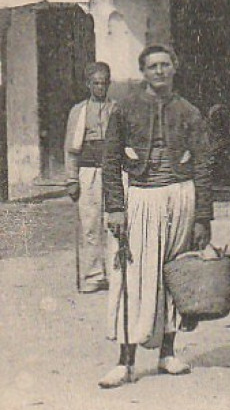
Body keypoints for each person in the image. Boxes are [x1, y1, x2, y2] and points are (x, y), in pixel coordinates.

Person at [99, 44, 213, 389]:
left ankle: (167, 353)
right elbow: (110, 161)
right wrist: (115, 208)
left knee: (173, 274)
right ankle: (125, 361)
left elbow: (204, 164)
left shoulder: (189, 111)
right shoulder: (125, 109)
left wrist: (202, 217)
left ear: (175, 68)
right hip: (141, 200)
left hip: (181, 197)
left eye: (165, 65)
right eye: (152, 66)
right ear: (143, 72)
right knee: (133, 276)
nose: (159, 71)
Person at [64, 62, 116, 294]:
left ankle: (117, 273)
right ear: (88, 85)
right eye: (95, 83)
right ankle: (95, 274)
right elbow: (71, 149)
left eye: (104, 83)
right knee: (90, 224)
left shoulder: (117, 109)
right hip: (89, 173)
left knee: (115, 222)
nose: (100, 87)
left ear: (109, 84)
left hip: (114, 173)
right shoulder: (79, 111)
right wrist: (71, 179)